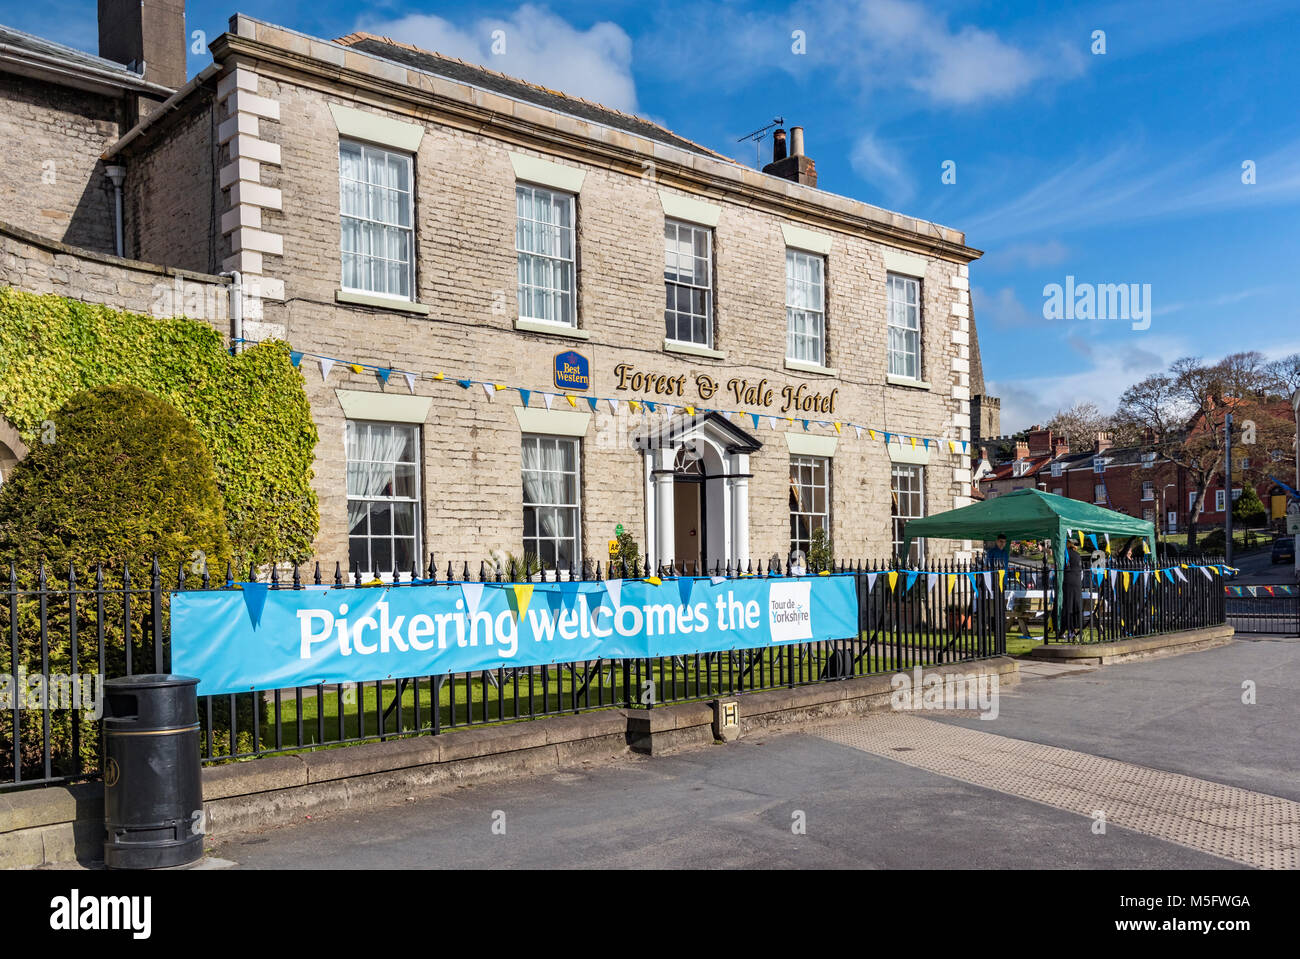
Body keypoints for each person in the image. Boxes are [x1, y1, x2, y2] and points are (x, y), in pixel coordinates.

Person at [1062, 540, 1084, 639]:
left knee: (1068, 606)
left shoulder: (1065, 554)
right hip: (1077, 582)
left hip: (1068, 581)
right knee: (1076, 605)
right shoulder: (1077, 554)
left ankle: (1069, 629)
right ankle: (1076, 628)